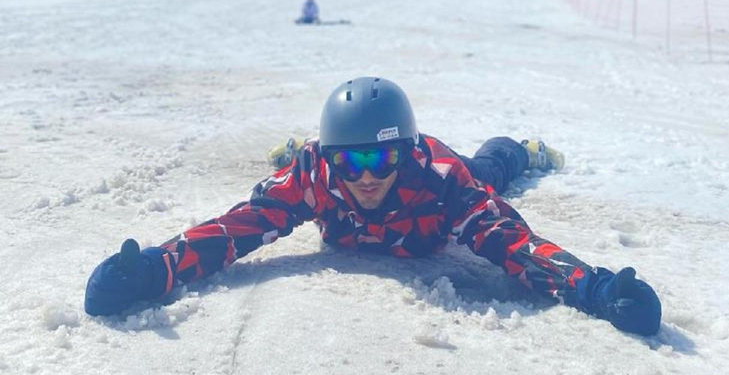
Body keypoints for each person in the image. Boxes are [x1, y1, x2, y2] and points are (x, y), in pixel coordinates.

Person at [84, 77, 662, 336]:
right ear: (328, 159)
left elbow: (516, 246)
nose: (365, 178)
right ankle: (297, 143)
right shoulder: (315, 175)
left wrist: (596, 289)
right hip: (311, 159)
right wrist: (154, 270)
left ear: (404, 155)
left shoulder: (443, 181)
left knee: (490, 170)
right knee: (284, 177)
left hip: (455, 180)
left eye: (380, 162)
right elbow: (237, 229)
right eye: (350, 162)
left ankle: (522, 149)